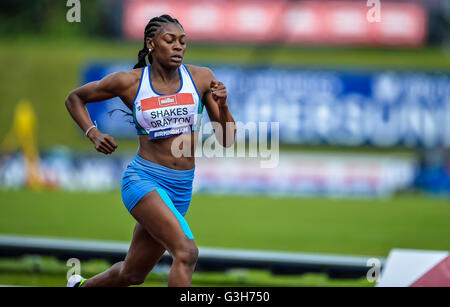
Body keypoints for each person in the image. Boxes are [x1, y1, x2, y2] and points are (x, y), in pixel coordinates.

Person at [65, 14, 236, 287]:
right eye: (170, 40)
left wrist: (223, 105)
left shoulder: (202, 78)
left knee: (132, 274)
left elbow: (227, 138)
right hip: (144, 181)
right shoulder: (130, 82)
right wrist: (93, 133)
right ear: (152, 44)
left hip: (181, 190)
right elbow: (74, 98)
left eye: (182, 41)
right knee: (187, 252)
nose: (179, 46)